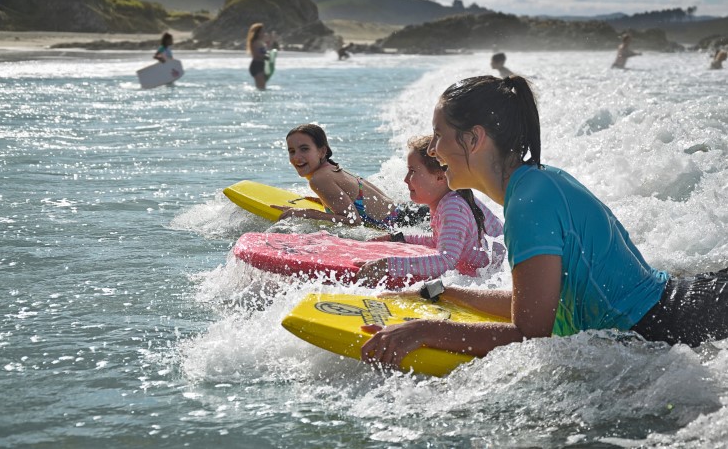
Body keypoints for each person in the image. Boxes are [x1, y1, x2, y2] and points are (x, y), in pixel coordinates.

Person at [360, 75, 728, 370]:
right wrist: (442, 293)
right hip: (682, 308)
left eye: (440, 135)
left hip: (680, 325)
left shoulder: (530, 203)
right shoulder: (535, 184)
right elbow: (535, 306)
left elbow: (530, 335)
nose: (435, 150)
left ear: (474, 139)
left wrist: (424, 330)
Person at [355, 135, 505, 285]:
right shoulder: (447, 201)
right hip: (493, 276)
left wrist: (387, 266)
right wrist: (398, 238)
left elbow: (446, 260)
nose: (406, 179)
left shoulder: (453, 207)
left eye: (412, 171)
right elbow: (438, 241)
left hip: (502, 280)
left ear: (440, 177)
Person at [275, 124, 428, 229]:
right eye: (292, 151)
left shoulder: (319, 179)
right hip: (411, 213)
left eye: (304, 149)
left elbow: (353, 221)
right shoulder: (332, 169)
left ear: (322, 151)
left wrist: (306, 213)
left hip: (409, 224)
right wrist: (323, 202)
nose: (296, 157)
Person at [246, 23, 268, 90]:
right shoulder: (255, 42)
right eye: (262, 32)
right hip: (257, 66)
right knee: (261, 88)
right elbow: (257, 55)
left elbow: (263, 53)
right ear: (258, 33)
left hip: (261, 65)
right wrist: (266, 57)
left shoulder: (261, 42)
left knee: (262, 87)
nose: (264, 33)